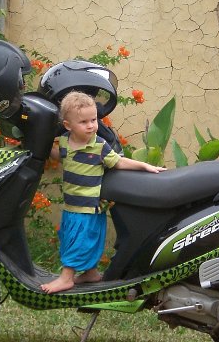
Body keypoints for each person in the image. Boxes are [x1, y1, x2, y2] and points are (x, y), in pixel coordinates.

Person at [40, 91, 165, 294]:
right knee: (70, 238)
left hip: (88, 208)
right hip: (72, 206)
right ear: (68, 125)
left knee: (77, 242)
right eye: (84, 122)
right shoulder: (64, 142)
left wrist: (144, 166)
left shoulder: (99, 146)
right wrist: (39, 145)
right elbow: (58, 156)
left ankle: (66, 278)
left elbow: (119, 162)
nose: (91, 125)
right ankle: (90, 273)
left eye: (93, 120)